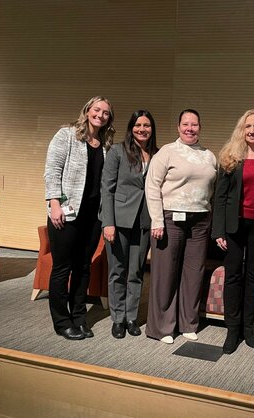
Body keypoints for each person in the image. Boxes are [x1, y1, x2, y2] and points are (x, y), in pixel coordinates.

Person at [44, 96, 115, 340]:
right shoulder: (66, 135)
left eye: (106, 112)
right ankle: (62, 321)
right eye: (97, 110)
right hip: (66, 213)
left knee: (83, 268)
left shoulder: (105, 144)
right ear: (87, 111)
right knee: (62, 268)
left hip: (92, 216)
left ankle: (79, 316)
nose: (101, 115)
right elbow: (52, 170)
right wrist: (54, 204)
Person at [212, 109, 254, 354]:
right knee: (233, 276)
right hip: (234, 226)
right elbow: (219, 197)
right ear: (242, 130)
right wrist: (218, 230)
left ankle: (247, 327)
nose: (252, 130)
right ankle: (232, 330)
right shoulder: (231, 156)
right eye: (248, 126)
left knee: (253, 276)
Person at [145, 109, 217, 344]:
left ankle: (188, 323)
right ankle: (163, 328)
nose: (190, 128)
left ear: (200, 127)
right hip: (170, 219)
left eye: (194, 125)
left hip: (200, 220)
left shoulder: (209, 156)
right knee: (165, 273)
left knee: (193, 274)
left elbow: (213, 191)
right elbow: (152, 186)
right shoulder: (167, 152)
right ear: (178, 127)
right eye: (185, 124)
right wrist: (156, 220)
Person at [100, 110, 158, 339]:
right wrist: (108, 223)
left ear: (152, 129)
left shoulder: (157, 153)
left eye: (147, 125)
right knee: (117, 271)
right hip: (119, 219)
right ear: (131, 127)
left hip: (144, 220)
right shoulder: (117, 151)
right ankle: (117, 319)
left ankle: (131, 316)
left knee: (136, 271)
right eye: (138, 125)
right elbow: (107, 188)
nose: (142, 129)